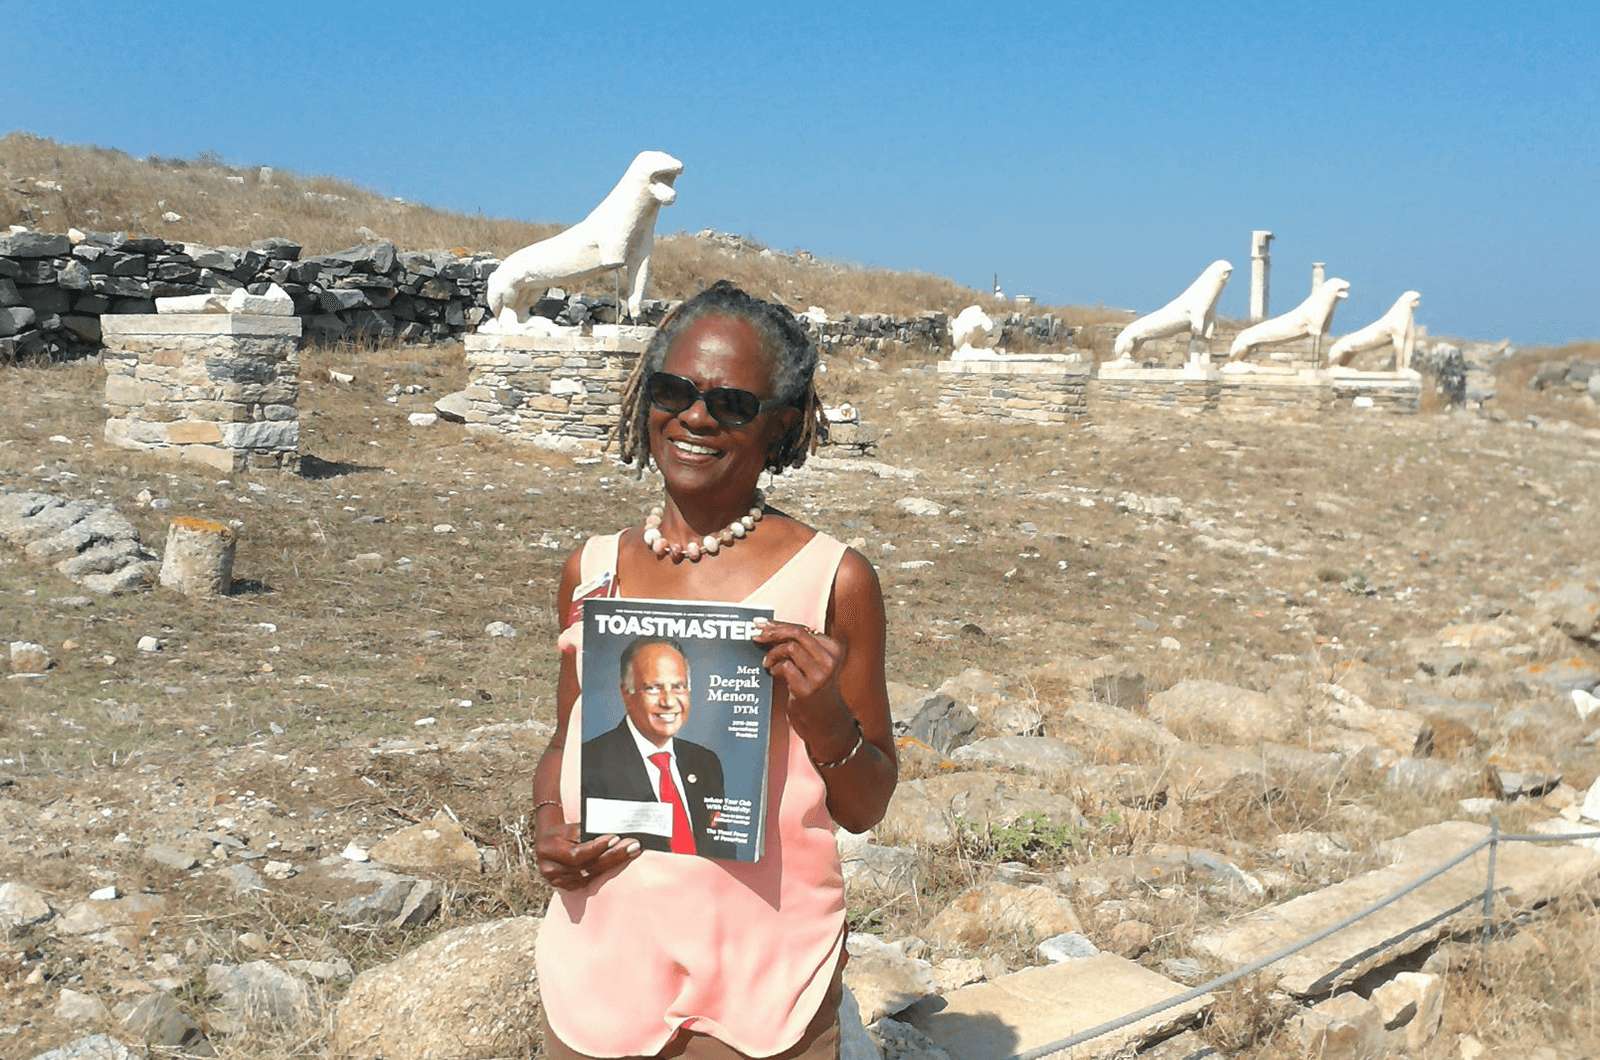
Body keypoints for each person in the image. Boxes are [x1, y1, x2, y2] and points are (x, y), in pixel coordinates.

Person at [531, 280, 897, 1060]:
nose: (696, 418)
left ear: (781, 425)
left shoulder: (834, 581)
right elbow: (566, 744)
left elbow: (867, 805)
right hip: (603, 965)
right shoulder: (591, 572)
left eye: (732, 404)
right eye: (675, 391)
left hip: (768, 978)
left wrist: (825, 718)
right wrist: (548, 824)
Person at [580, 636, 735, 859]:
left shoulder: (705, 762)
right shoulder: (590, 761)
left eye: (678, 687)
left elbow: (722, 848)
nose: (668, 702)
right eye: (653, 688)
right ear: (627, 694)